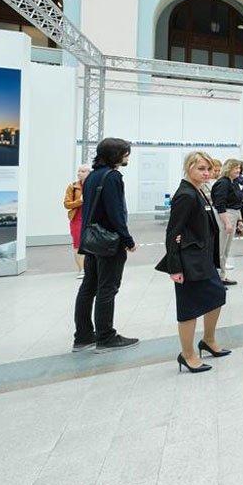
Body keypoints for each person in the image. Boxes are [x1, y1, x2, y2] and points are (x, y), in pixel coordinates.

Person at [155, 151, 229, 373]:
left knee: (217, 296)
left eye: (208, 169)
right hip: (189, 261)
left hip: (202, 259)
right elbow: (173, 232)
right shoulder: (186, 194)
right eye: (201, 169)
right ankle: (187, 354)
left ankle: (208, 340)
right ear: (189, 168)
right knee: (189, 308)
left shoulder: (198, 190)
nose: (206, 173)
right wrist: (175, 267)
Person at [73, 137, 138, 354]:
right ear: (115, 155)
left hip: (91, 240)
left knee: (88, 287)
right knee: (107, 288)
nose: (127, 157)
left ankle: (83, 337)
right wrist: (127, 239)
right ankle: (106, 337)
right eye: (125, 153)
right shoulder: (113, 176)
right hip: (108, 242)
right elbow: (115, 212)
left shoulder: (92, 176)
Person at [211, 158, 243, 284]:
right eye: (236, 168)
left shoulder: (233, 182)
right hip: (225, 216)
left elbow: (237, 203)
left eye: (239, 168)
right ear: (229, 168)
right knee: (220, 249)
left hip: (232, 215)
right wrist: (227, 222)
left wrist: (239, 220)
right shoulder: (223, 183)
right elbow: (220, 204)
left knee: (226, 249)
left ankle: (222, 276)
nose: (238, 170)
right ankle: (217, 278)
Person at [64, 164, 91, 279]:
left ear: (89, 173)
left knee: (93, 244)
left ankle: (92, 269)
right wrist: (80, 201)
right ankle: (82, 270)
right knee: (78, 245)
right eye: (79, 171)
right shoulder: (73, 187)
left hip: (91, 218)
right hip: (77, 219)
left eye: (83, 171)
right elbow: (67, 204)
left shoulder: (95, 186)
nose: (79, 173)